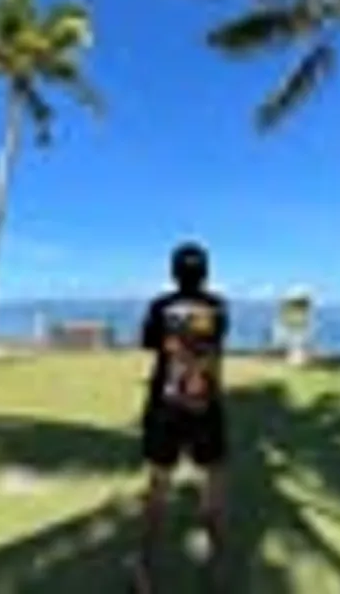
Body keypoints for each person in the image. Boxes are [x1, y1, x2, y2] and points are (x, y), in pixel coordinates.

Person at [126, 241, 230, 593]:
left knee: (158, 487)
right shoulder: (218, 307)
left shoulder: (160, 306)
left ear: (174, 273)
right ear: (205, 273)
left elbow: (149, 342)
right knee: (213, 486)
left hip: (165, 405)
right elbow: (215, 343)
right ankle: (216, 570)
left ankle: (144, 571)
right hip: (206, 404)